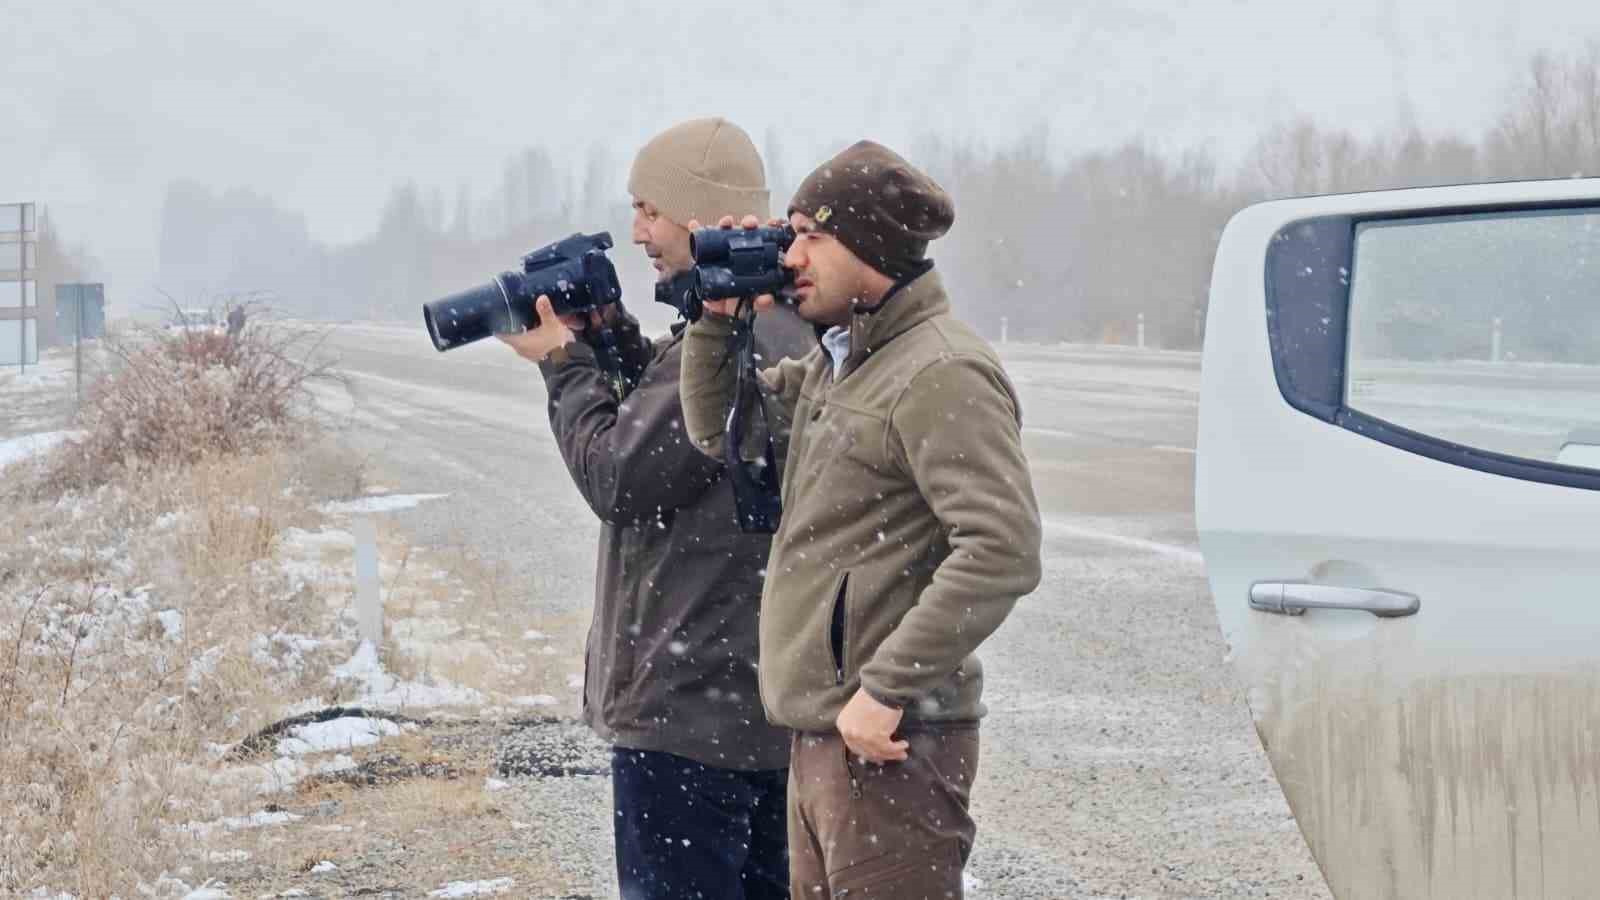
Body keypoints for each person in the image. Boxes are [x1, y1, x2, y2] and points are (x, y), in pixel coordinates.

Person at [679, 140, 1043, 897]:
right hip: (824, 739)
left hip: (890, 745)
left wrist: (885, 689)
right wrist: (715, 321)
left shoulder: (940, 370)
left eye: (811, 234)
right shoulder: (840, 362)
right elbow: (723, 434)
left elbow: (1002, 548)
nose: (791, 256)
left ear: (869, 246)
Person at [497, 117, 812, 900]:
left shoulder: (733, 335)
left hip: (689, 714)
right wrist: (613, 342)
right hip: (758, 708)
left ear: (699, 214)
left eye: (649, 210)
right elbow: (686, 434)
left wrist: (563, 364)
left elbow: (620, 475)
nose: (637, 232)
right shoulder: (781, 323)